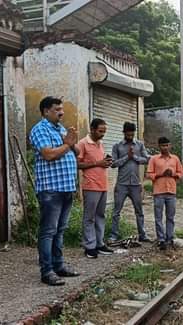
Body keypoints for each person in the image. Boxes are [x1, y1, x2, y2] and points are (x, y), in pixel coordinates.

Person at [30, 96, 80, 286]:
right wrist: (67, 144)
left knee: (60, 230)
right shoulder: (39, 129)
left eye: (62, 109)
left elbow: (77, 153)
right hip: (50, 190)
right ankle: (47, 271)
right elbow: (48, 154)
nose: (61, 112)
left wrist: (72, 142)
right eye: (57, 109)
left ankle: (59, 266)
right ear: (45, 111)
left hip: (66, 188)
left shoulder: (61, 129)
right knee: (48, 231)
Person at [76, 118, 114, 258]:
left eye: (104, 131)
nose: (102, 134)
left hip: (102, 184)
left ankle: (99, 243)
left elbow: (100, 162)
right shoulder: (82, 143)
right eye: (100, 131)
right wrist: (98, 163)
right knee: (89, 217)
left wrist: (106, 162)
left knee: (100, 216)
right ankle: (89, 246)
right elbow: (77, 164)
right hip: (90, 185)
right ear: (92, 129)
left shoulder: (100, 143)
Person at [108, 122, 150, 242]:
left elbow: (147, 159)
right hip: (122, 184)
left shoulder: (139, 145)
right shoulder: (117, 146)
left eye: (132, 134)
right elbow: (113, 164)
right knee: (116, 211)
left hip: (136, 184)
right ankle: (114, 235)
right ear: (124, 132)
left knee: (139, 211)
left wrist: (135, 158)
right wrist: (127, 157)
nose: (130, 136)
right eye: (128, 134)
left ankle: (142, 235)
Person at [146, 137, 183, 250]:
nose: (165, 148)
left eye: (167, 145)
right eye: (163, 146)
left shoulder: (175, 159)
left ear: (170, 145)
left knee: (170, 217)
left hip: (171, 191)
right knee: (158, 217)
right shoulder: (154, 159)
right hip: (158, 191)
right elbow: (149, 174)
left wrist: (173, 174)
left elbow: (181, 172)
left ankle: (170, 238)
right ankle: (161, 239)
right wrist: (160, 174)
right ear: (159, 146)